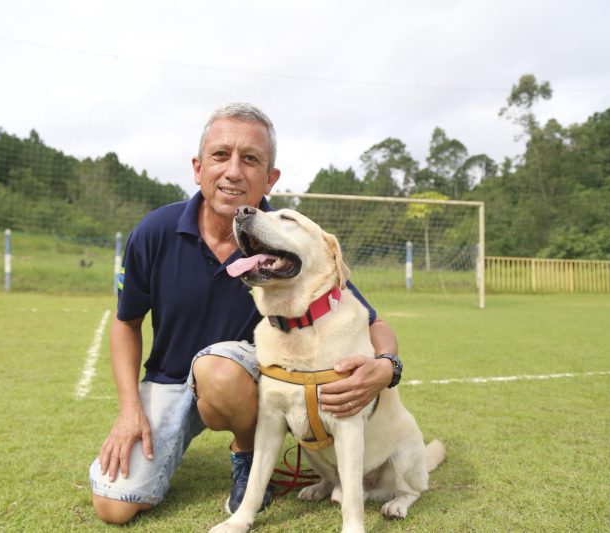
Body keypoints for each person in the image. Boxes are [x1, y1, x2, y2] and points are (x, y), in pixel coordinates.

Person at [90, 102, 399, 524]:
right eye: (221, 155)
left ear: (270, 178)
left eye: (250, 159)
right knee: (113, 506)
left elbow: (371, 319)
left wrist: (386, 367)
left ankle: (247, 454)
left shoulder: (288, 240)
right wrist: (130, 409)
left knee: (218, 368)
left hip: (240, 379)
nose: (233, 171)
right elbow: (126, 323)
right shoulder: (154, 231)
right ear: (198, 168)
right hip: (169, 379)